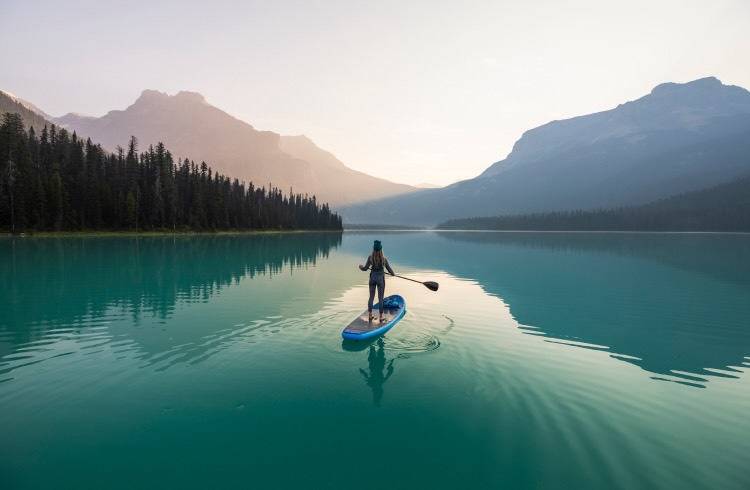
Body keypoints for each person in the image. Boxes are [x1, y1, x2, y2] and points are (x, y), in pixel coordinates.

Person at [359, 239, 395, 323]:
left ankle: (370, 315)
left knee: (371, 297)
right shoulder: (383, 259)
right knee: (380, 298)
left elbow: (365, 268)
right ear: (381, 250)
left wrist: (360, 266)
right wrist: (393, 274)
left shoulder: (370, 258)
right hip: (380, 279)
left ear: (374, 249)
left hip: (372, 279)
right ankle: (381, 316)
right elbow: (389, 270)